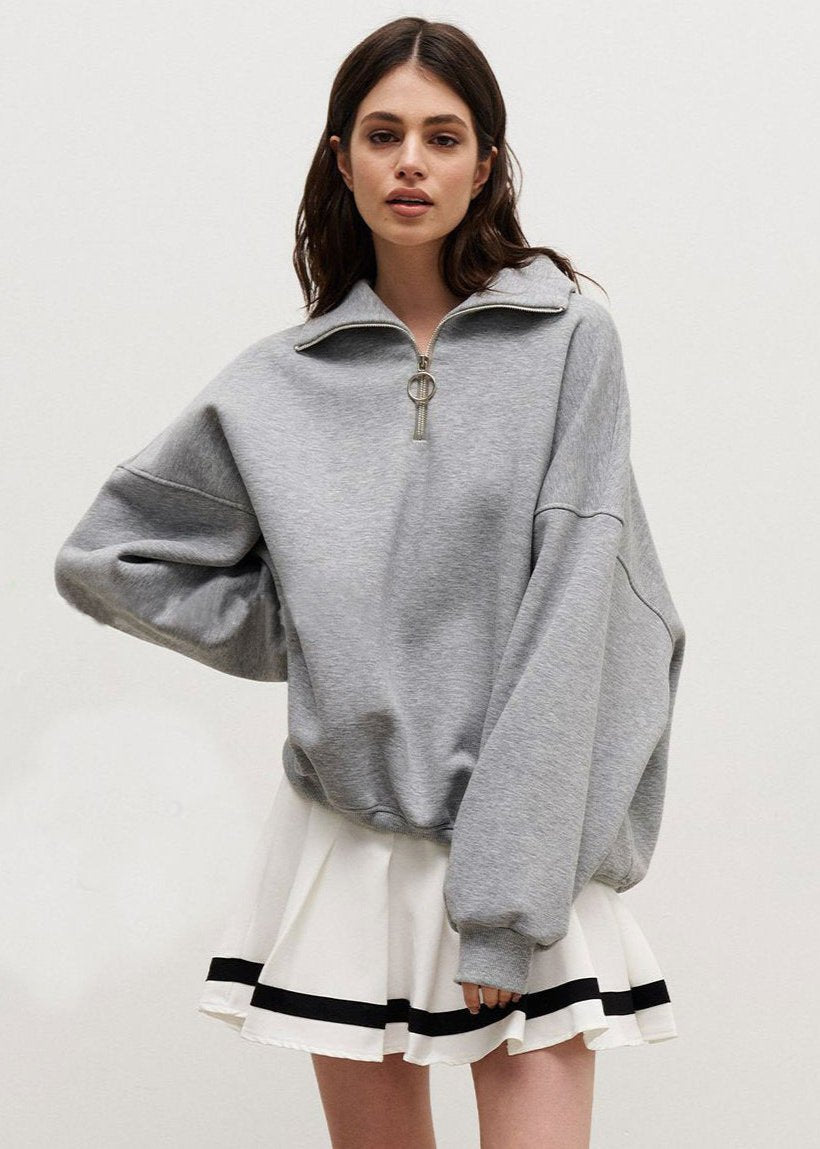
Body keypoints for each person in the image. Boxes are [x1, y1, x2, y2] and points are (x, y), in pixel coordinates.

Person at [53, 16, 686, 1149]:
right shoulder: (277, 383)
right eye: (384, 135)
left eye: (443, 137)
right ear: (341, 158)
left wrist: (504, 908)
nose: (411, 163)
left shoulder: (570, 345)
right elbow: (110, 559)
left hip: (526, 846)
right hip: (353, 850)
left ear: (485, 165)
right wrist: (315, 635)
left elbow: (582, 614)